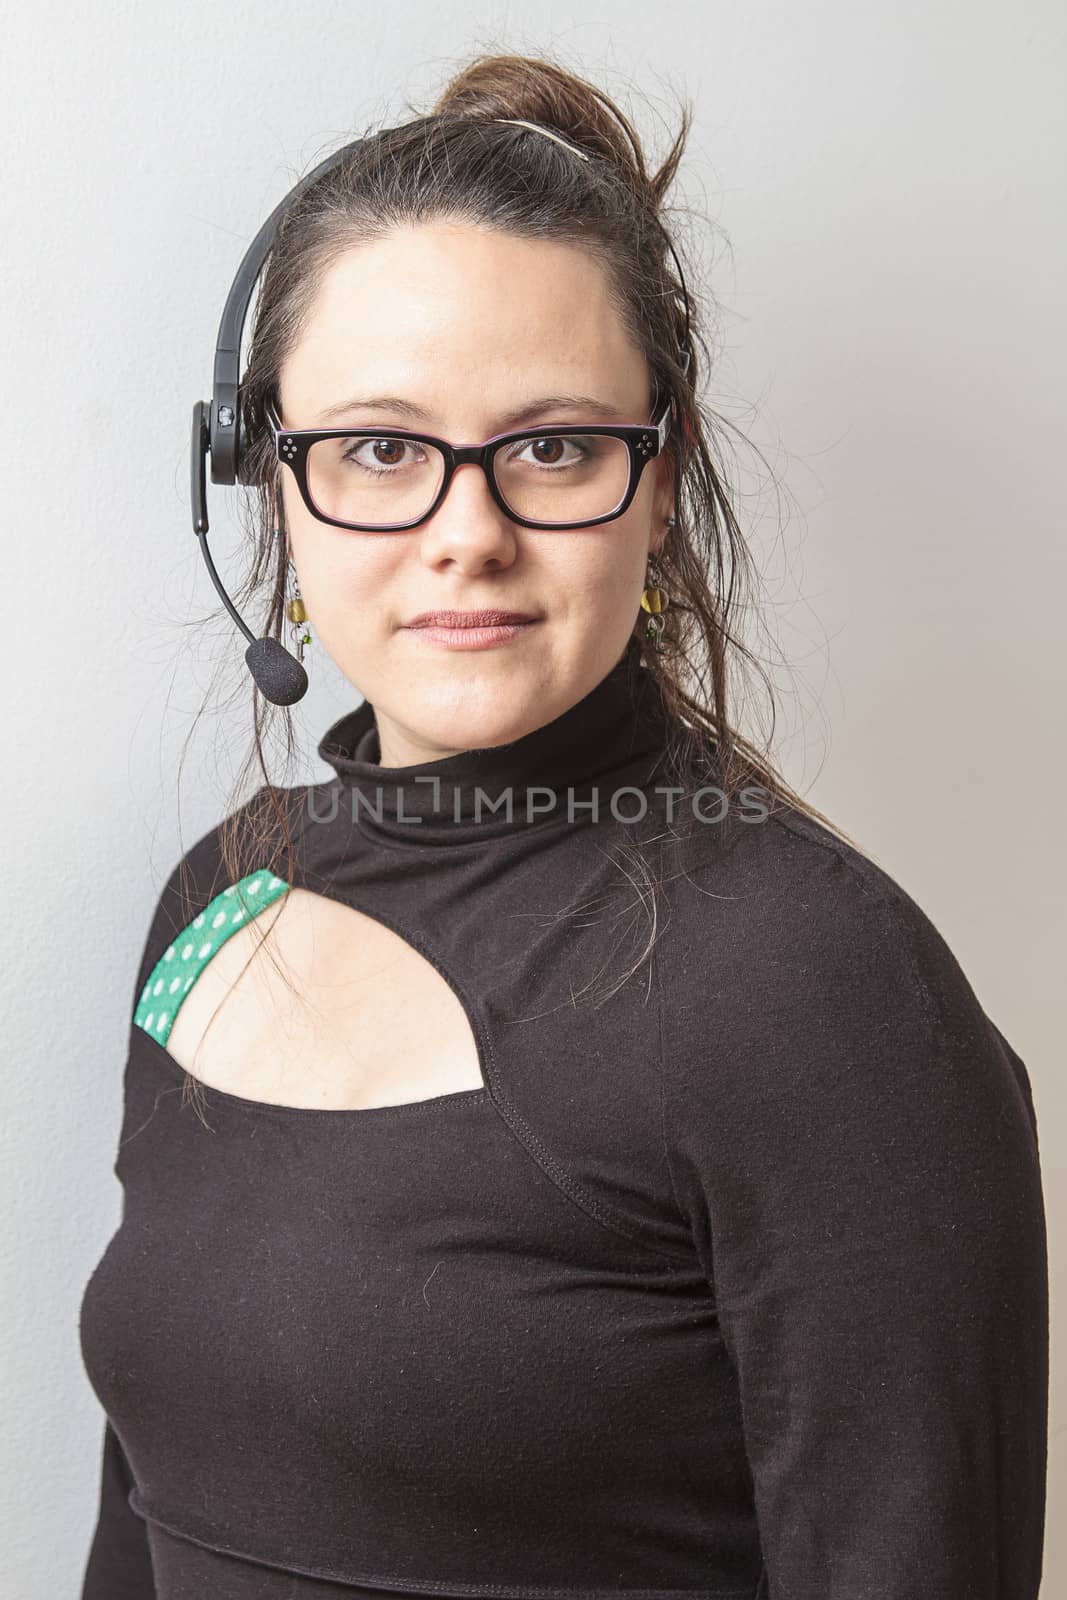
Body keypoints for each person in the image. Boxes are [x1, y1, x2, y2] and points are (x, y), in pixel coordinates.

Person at [77, 51, 1049, 1600]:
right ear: (267, 483)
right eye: (380, 448)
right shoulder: (220, 904)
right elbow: (138, 1527)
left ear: (658, 488)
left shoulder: (825, 990)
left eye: (551, 446)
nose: (468, 535)